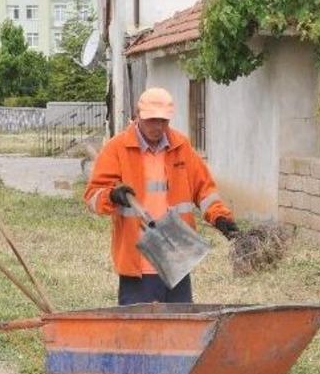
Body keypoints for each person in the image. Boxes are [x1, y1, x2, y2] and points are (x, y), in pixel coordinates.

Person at [84, 87, 239, 305]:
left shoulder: (181, 146)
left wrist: (220, 218)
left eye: (164, 121)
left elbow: (204, 191)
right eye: (152, 120)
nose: (158, 127)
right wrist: (112, 195)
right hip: (138, 262)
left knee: (179, 329)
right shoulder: (117, 149)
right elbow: (92, 196)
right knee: (138, 332)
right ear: (138, 116)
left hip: (176, 255)